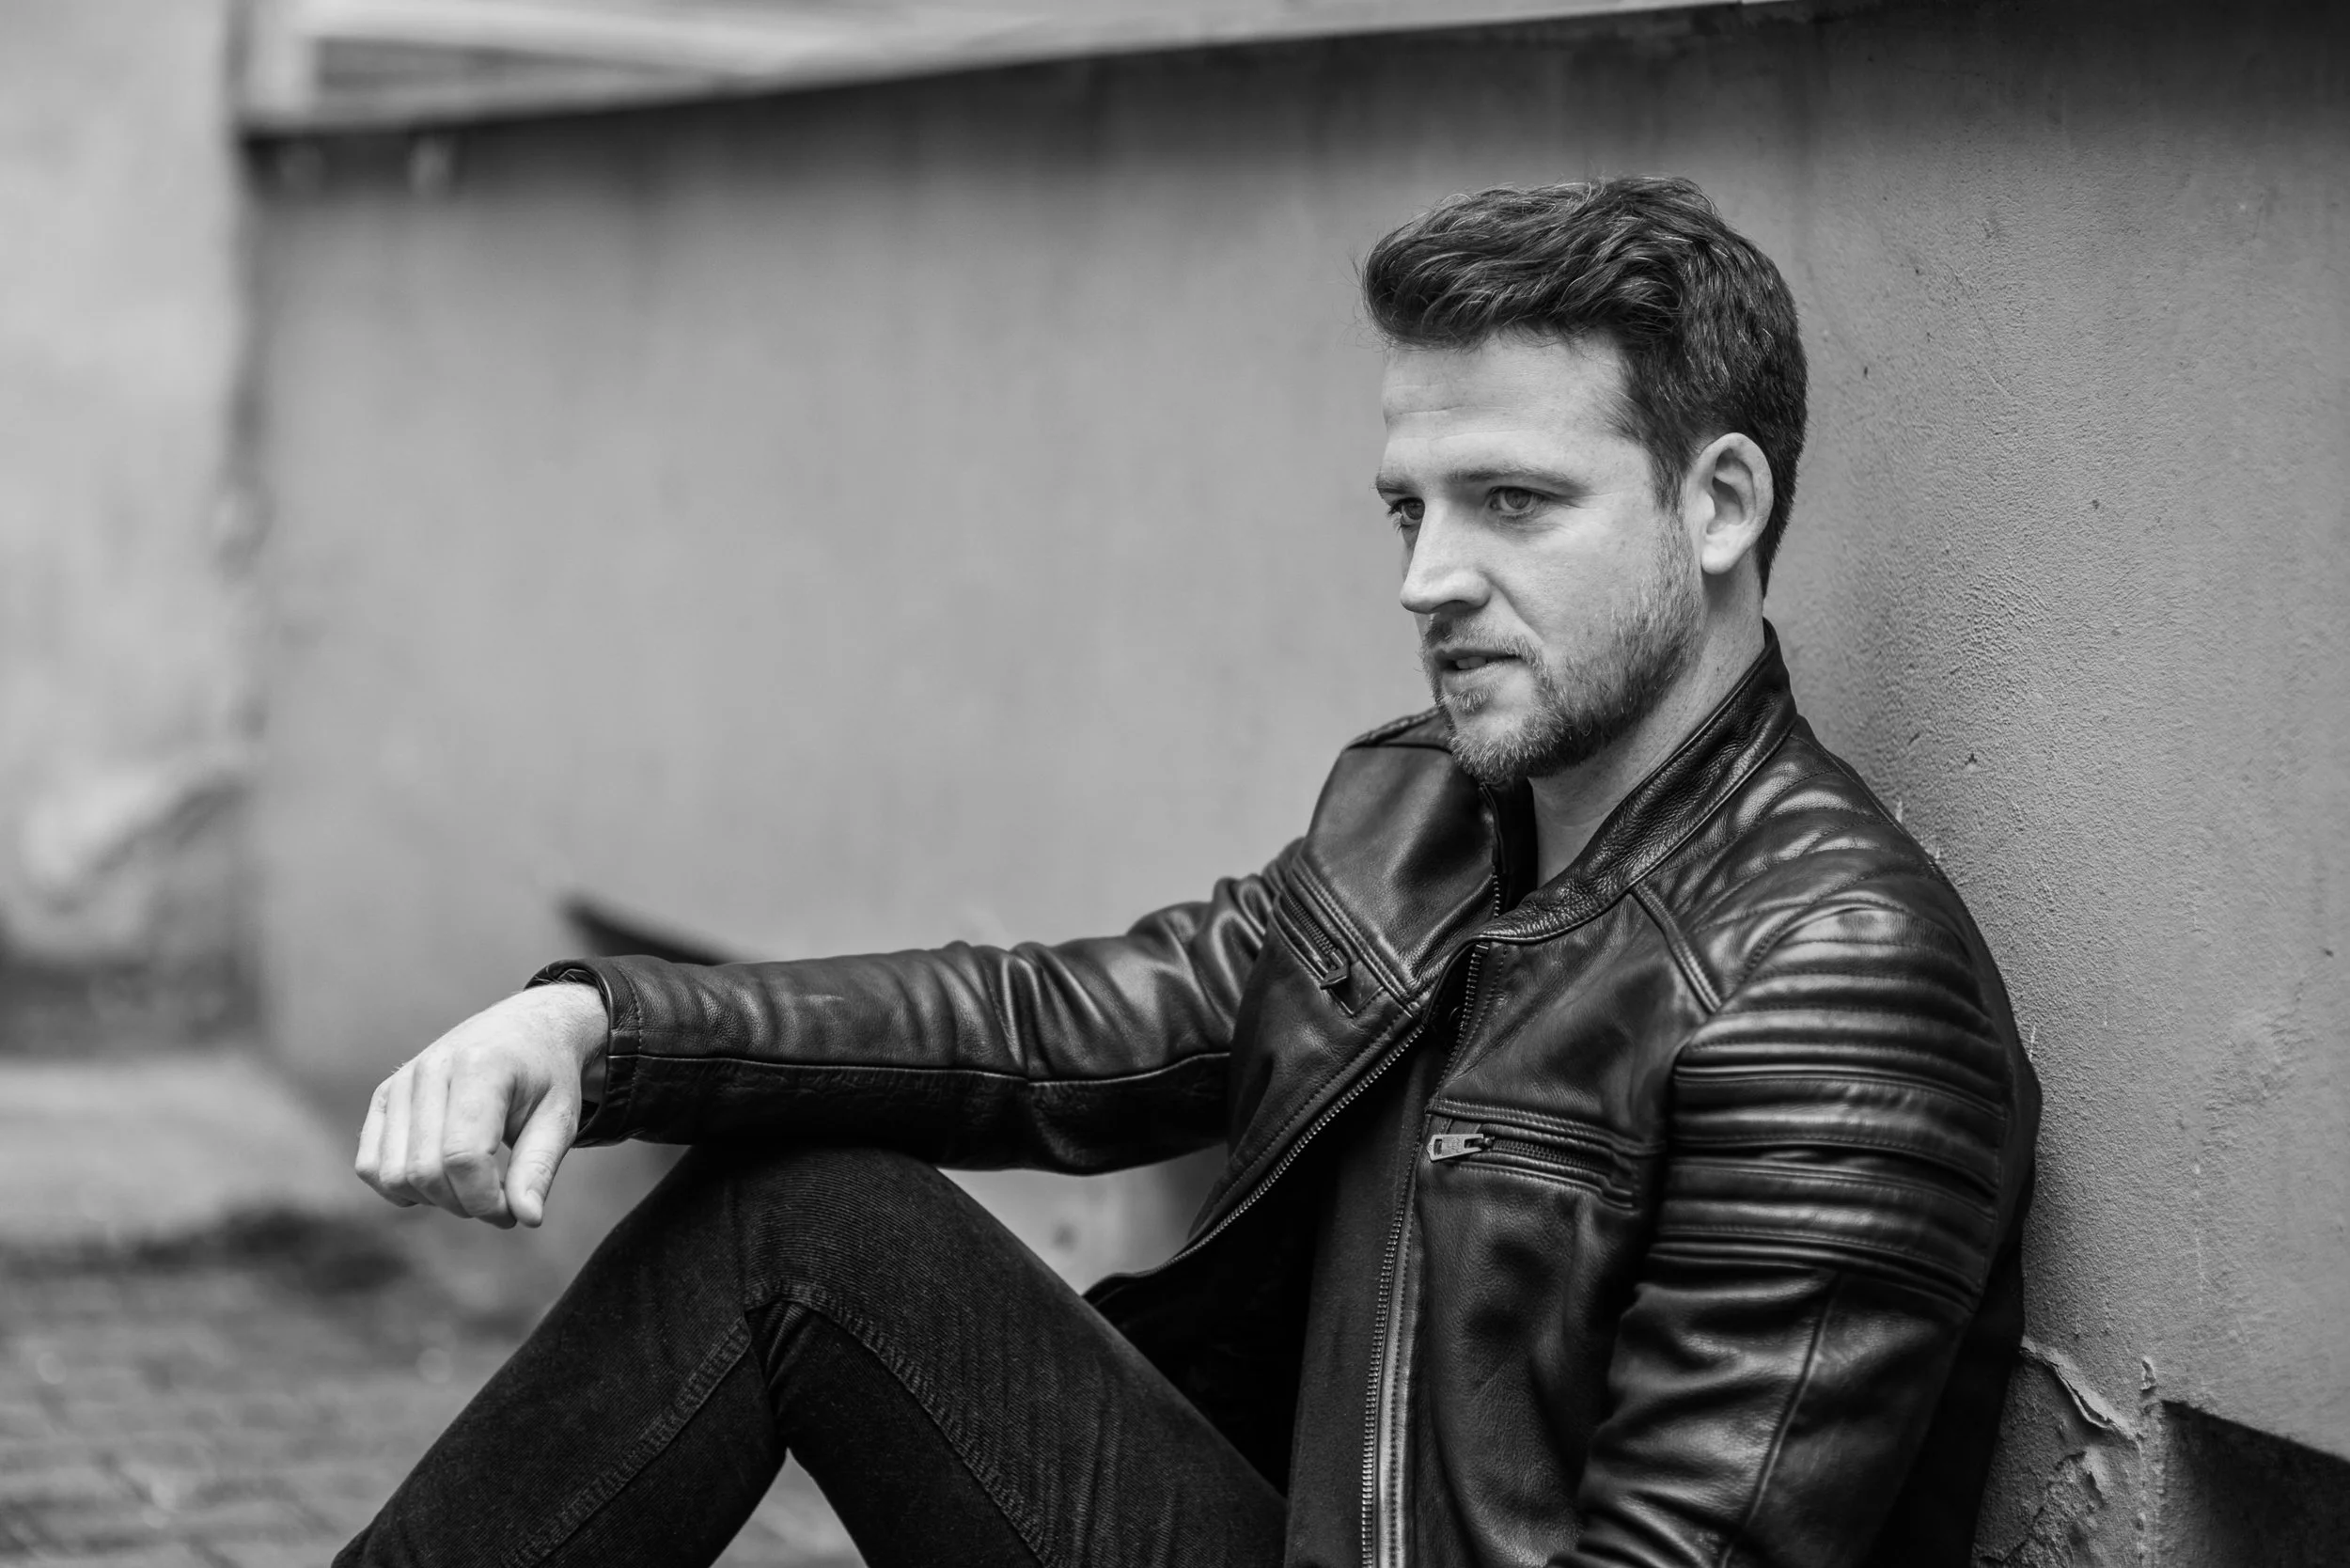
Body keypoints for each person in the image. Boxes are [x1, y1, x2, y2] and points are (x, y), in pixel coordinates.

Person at [343, 176, 2039, 1568]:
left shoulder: (1832, 983)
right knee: (797, 1222)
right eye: (1407, 512)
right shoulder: (1430, 815)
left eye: (1513, 502)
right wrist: (596, 1030)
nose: (1429, 581)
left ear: (1721, 503)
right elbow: (1052, 1025)